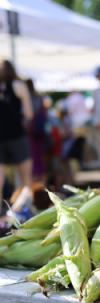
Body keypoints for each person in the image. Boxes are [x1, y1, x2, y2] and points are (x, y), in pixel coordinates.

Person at [0, 59, 33, 213]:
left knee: (0, 179)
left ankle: (2, 214)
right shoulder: (19, 86)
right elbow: (29, 114)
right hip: (17, 136)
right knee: (26, 178)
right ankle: (23, 210)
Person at [25, 79, 48, 185]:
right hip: (41, 132)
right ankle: (43, 185)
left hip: (31, 134)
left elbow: (28, 116)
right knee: (40, 160)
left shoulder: (27, 98)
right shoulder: (39, 98)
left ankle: (36, 186)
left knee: (33, 160)